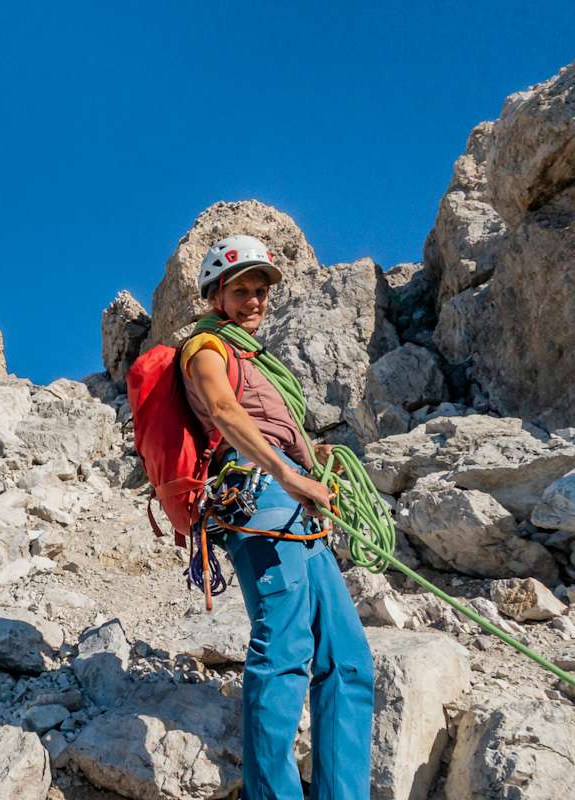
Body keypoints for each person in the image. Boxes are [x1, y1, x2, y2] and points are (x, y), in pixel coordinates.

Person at [180, 234, 374, 800]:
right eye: (241, 290)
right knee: (285, 649)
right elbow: (223, 411)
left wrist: (310, 463)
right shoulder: (206, 347)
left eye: (261, 291)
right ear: (216, 295)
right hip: (260, 494)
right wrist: (288, 475)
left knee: (348, 659)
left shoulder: (255, 359)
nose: (254, 300)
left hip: (295, 503)